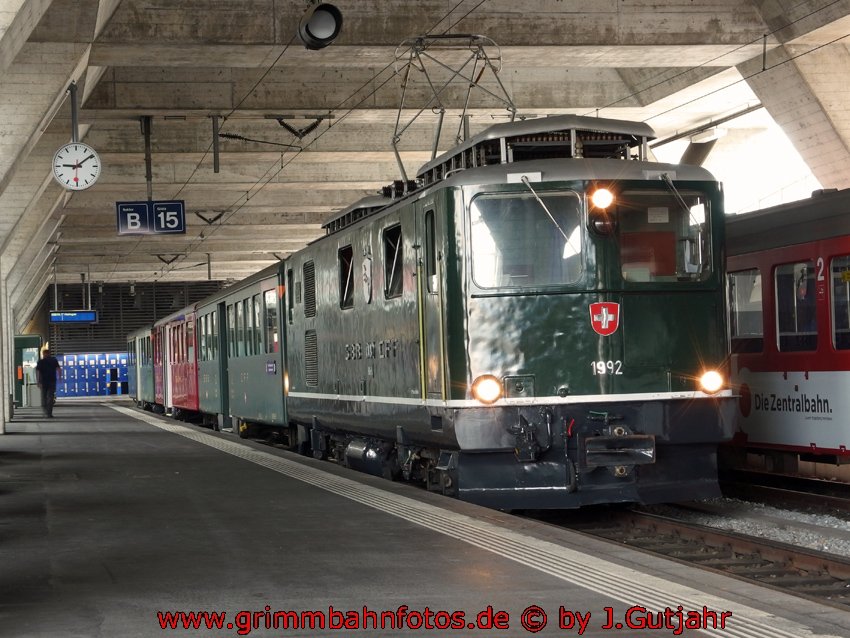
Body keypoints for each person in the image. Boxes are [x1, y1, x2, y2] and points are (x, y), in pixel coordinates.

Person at [35, 349, 62, 418]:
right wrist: (60, 378)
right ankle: (49, 413)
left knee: (44, 397)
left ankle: (46, 411)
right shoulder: (53, 360)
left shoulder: (41, 361)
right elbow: (59, 369)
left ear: (43, 354)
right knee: (50, 397)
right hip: (52, 381)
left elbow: (37, 372)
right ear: (49, 353)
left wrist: (38, 381)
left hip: (43, 382)